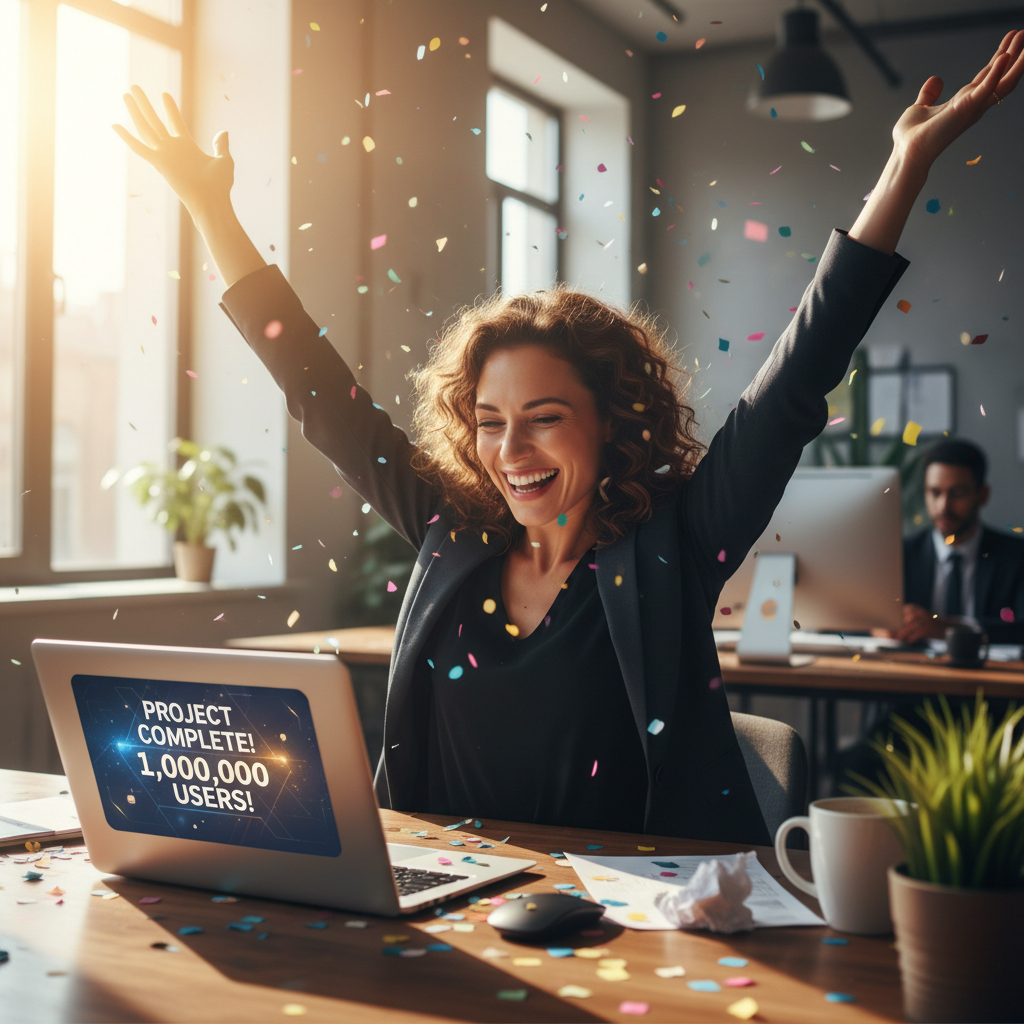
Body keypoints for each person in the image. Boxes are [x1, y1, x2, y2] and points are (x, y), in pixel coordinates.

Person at [111, 32, 1024, 844]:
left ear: (612, 420)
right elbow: (319, 393)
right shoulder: (450, 523)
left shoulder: (675, 539)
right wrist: (212, 212)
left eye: (544, 419)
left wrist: (903, 167)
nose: (513, 451)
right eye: (491, 423)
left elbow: (795, 378)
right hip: (446, 900)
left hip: (631, 917)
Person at [895, 439, 1024, 645]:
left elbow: (1020, 628)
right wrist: (879, 627)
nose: (943, 506)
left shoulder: (1016, 557)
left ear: (982, 495)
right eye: (935, 492)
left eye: (957, 493)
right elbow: (852, 621)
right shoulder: (899, 554)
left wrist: (947, 628)